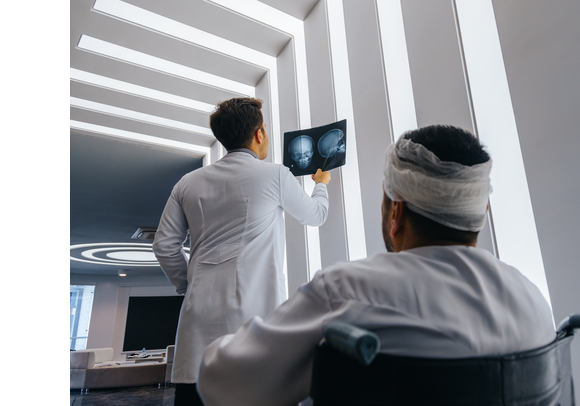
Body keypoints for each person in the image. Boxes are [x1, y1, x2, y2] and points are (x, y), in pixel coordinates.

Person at [196, 124, 555, 406]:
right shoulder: (533, 303)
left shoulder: (347, 293)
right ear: (480, 211)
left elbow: (224, 385)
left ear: (395, 211)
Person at [152, 97, 331, 406]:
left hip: (198, 325)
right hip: (252, 322)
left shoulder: (187, 183)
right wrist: (322, 184)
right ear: (259, 134)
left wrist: (187, 284)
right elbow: (315, 215)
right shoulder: (275, 174)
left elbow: (165, 245)